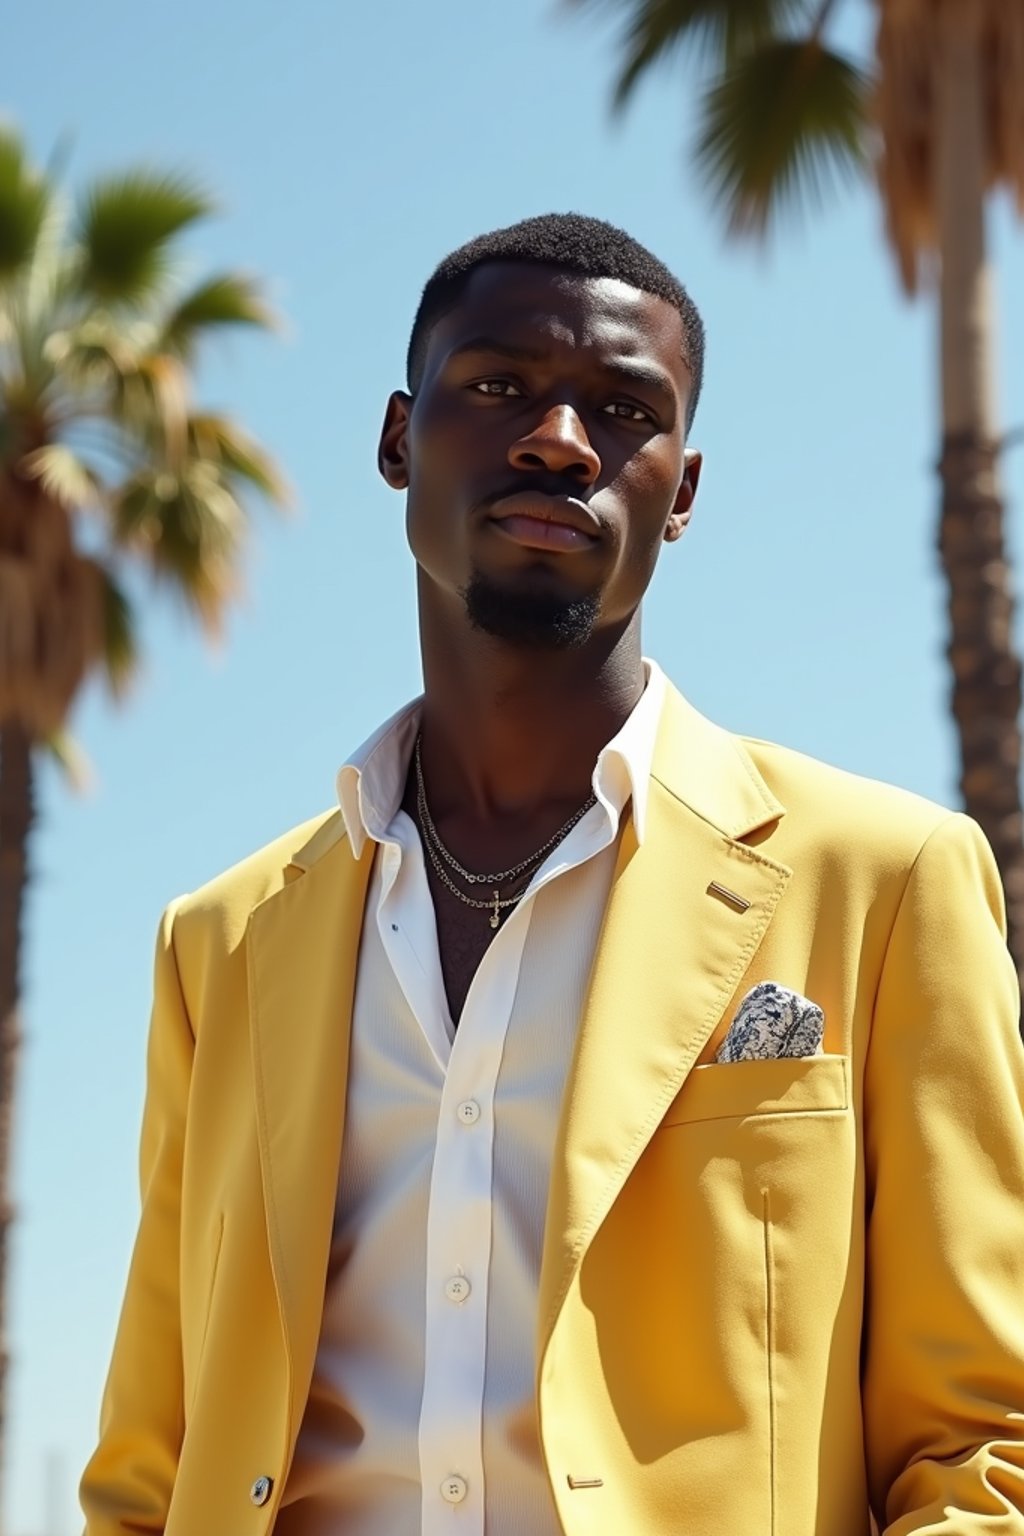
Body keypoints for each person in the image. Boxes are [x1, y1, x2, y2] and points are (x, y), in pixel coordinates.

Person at [80, 213, 1024, 1536]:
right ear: (398, 439)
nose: (559, 439)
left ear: (680, 492)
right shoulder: (222, 944)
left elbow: (983, 1446)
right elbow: (147, 1467)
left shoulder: (883, 884)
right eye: (500, 386)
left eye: (623, 410)